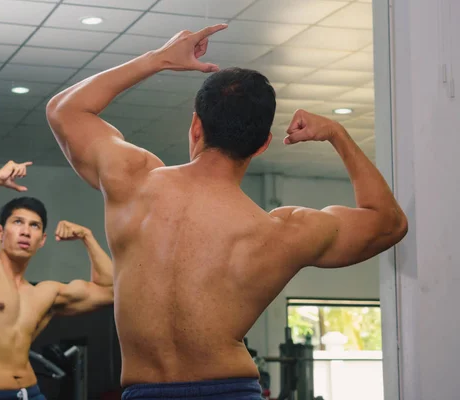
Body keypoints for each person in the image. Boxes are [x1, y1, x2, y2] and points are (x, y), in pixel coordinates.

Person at [45, 24, 408, 400]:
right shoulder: (283, 231)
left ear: (196, 126)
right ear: (263, 144)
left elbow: (64, 109)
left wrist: (160, 59)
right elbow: (389, 222)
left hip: (144, 390)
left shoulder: (132, 179)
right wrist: (336, 133)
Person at [0, 160, 114, 400]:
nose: (26, 231)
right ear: (0, 231)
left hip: (31, 393)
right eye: (18, 222)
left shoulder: (46, 294)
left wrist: (87, 236)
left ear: (42, 240)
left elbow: (110, 289)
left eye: (35, 226)